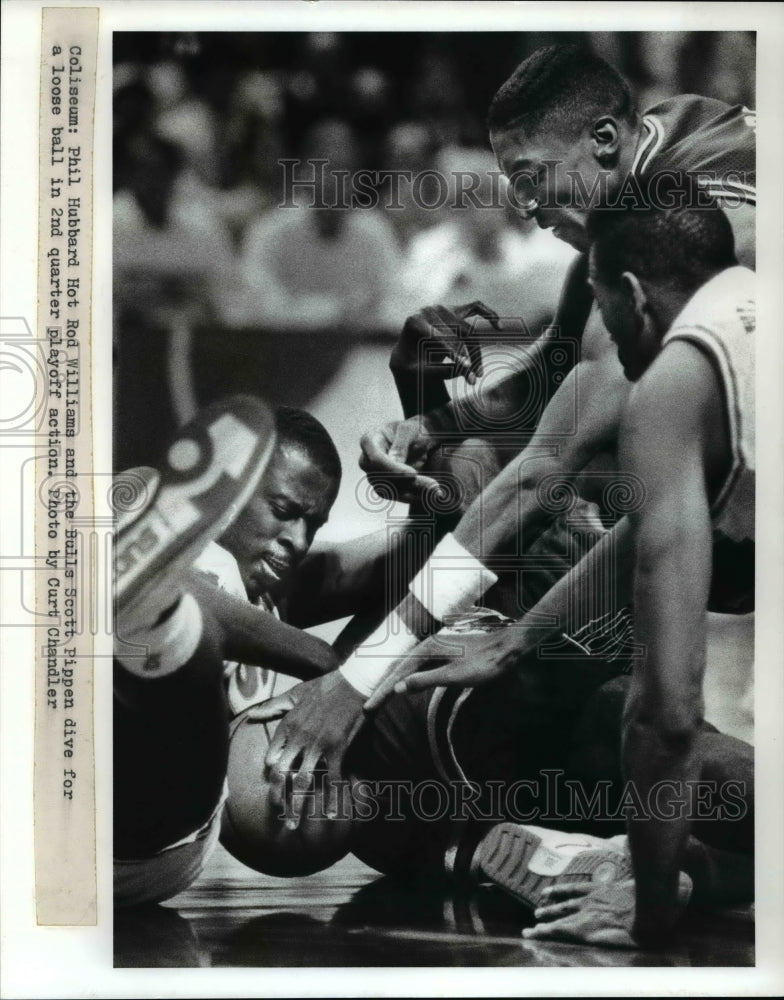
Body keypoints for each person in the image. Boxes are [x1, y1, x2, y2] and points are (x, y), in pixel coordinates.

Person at [263, 43, 756, 822]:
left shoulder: (684, 232)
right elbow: (562, 358)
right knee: (499, 478)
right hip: (711, 479)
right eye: (512, 183)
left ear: (601, 142)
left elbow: (541, 469)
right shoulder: (644, 151)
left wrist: (355, 682)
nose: (523, 206)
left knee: (552, 509)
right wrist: (432, 418)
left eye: (531, 178)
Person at [367, 199, 756, 949]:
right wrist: (519, 638)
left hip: (609, 702)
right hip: (569, 704)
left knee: (646, 733)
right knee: (624, 739)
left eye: (600, 322)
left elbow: (666, 714)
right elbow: (641, 538)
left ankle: (653, 863)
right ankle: (642, 855)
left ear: (633, 299)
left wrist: (646, 918)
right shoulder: (722, 340)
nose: (596, 351)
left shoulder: (674, 392)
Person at [114, 399, 432, 905]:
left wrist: (431, 430)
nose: (298, 540)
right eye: (284, 512)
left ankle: (159, 606)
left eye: (315, 526)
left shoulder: (267, 595)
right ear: (232, 493)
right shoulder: (235, 580)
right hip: (80, 809)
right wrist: (335, 673)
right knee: (169, 590)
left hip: (158, 847)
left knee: (179, 605)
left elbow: (419, 552)